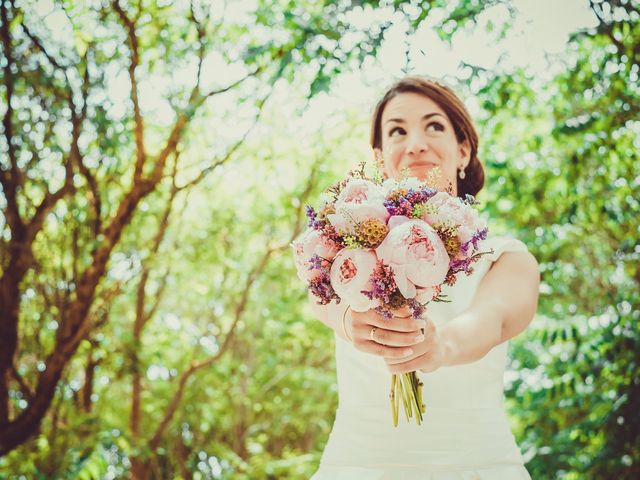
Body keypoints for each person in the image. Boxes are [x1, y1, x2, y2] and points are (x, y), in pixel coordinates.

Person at [308, 76, 540, 479]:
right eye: (397, 130)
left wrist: (439, 347)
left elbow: (491, 319)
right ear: (379, 158)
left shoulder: (507, 258)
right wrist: (350, 321)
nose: (415, 142)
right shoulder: (341, 249)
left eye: (434, 126)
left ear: (463, 149)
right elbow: (324, 304)